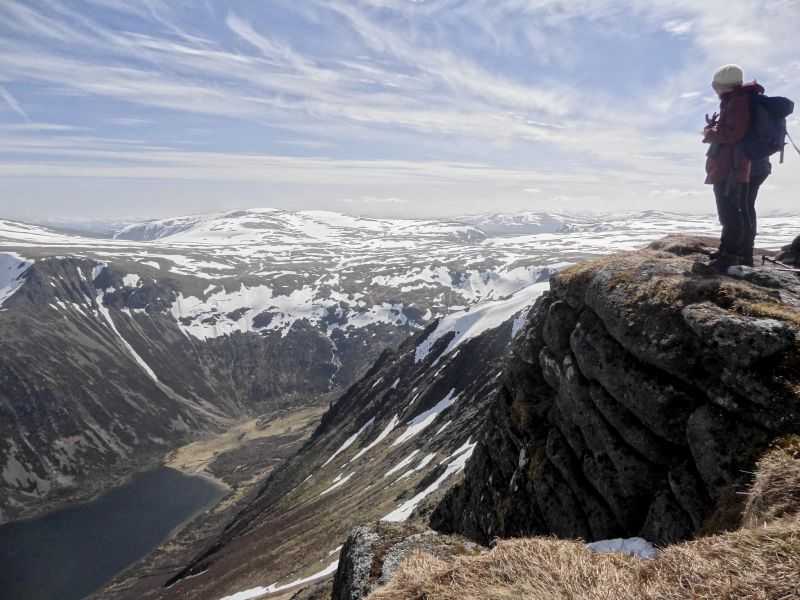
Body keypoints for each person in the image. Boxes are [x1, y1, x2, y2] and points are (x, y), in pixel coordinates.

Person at [702, 64, 765, 267]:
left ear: (724, 85)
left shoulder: (738, 101)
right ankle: (734, 252)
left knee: (730, 210)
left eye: (715, 85)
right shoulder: (738, 100)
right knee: (739, 210)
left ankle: (732, 256)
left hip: (736, 167)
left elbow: (734, 133)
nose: (714, 89)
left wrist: (710, 135)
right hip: (740, 164)